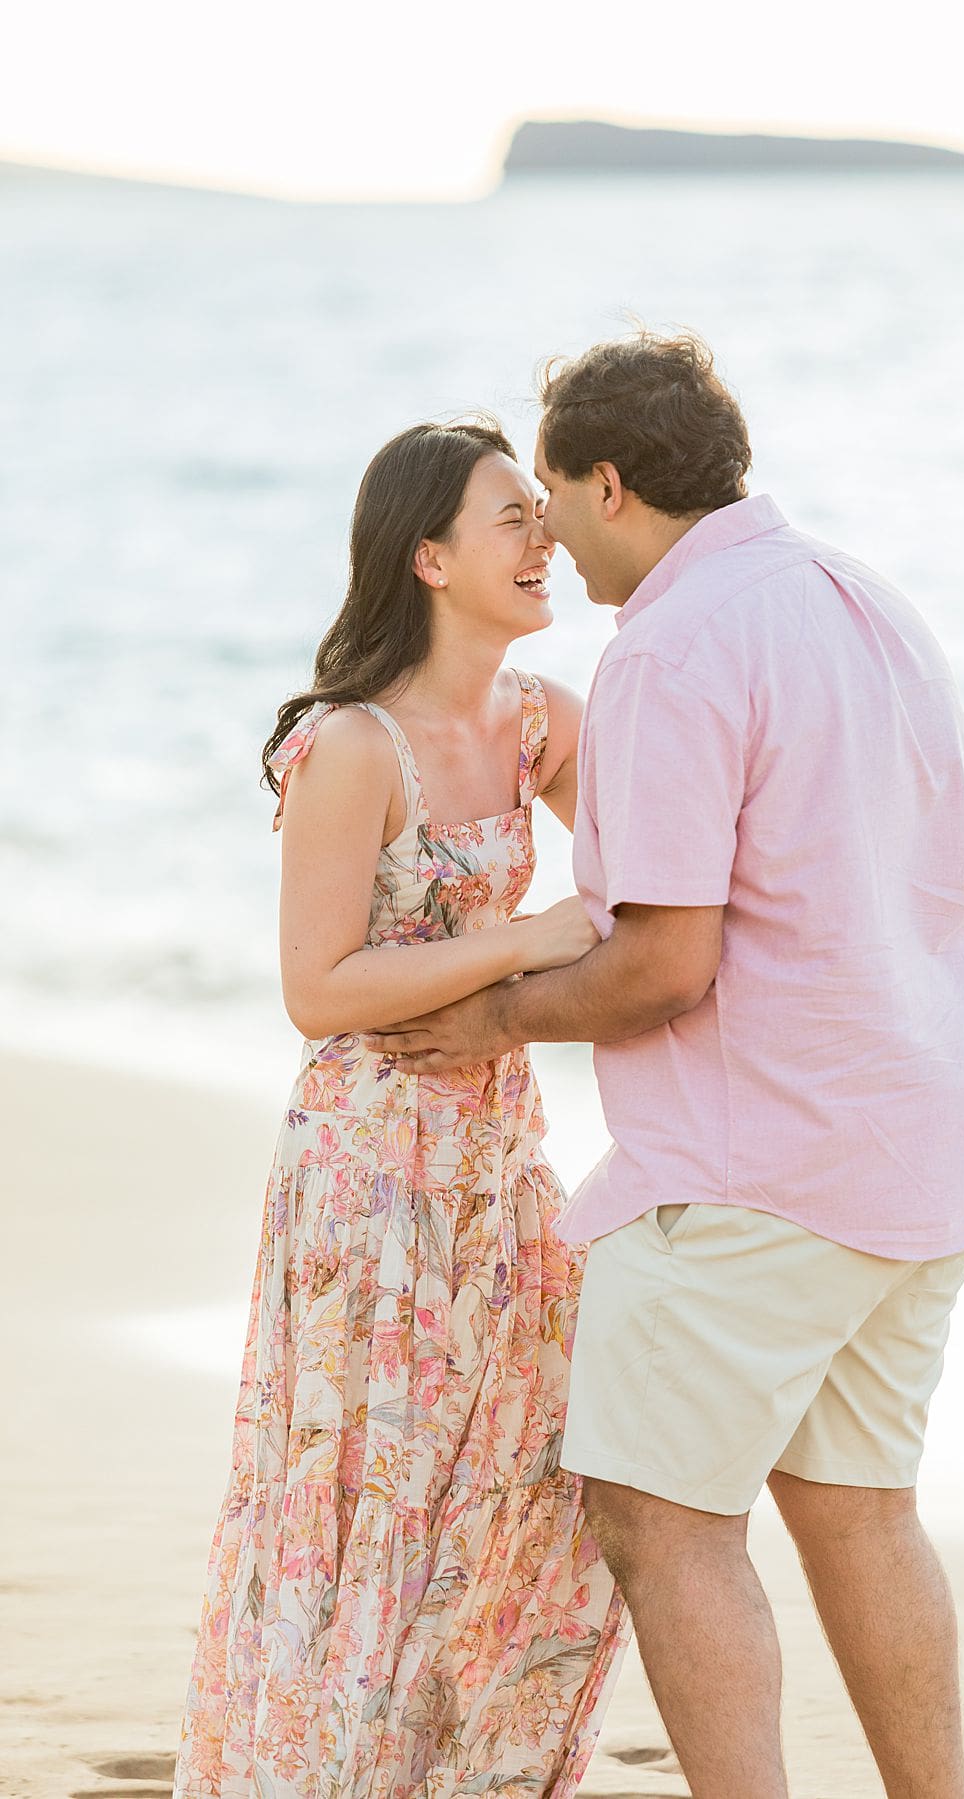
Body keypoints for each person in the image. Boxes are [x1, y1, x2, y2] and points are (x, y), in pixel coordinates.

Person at [365, 331, 964, 1799]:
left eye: (552, 493)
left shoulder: (668, 643)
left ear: (612, 483)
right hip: (932, 1140)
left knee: (662, 1523)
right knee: (858, 1508)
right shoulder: (866, 598)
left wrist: (492, 1019)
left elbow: (668, 963)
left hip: (766, 1169)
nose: (548, 528)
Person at [171, 419, 632, 1799]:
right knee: (360, 1495)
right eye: (511, 518)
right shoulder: (351, 745)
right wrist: (521, 942)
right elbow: (319, 988)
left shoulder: (539, 716)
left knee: (521, 1475)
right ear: (429, 558)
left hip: (498, 1154)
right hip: (368, 1172)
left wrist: (914, 853)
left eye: (543, 515)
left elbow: (697, 827)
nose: (543, 538)